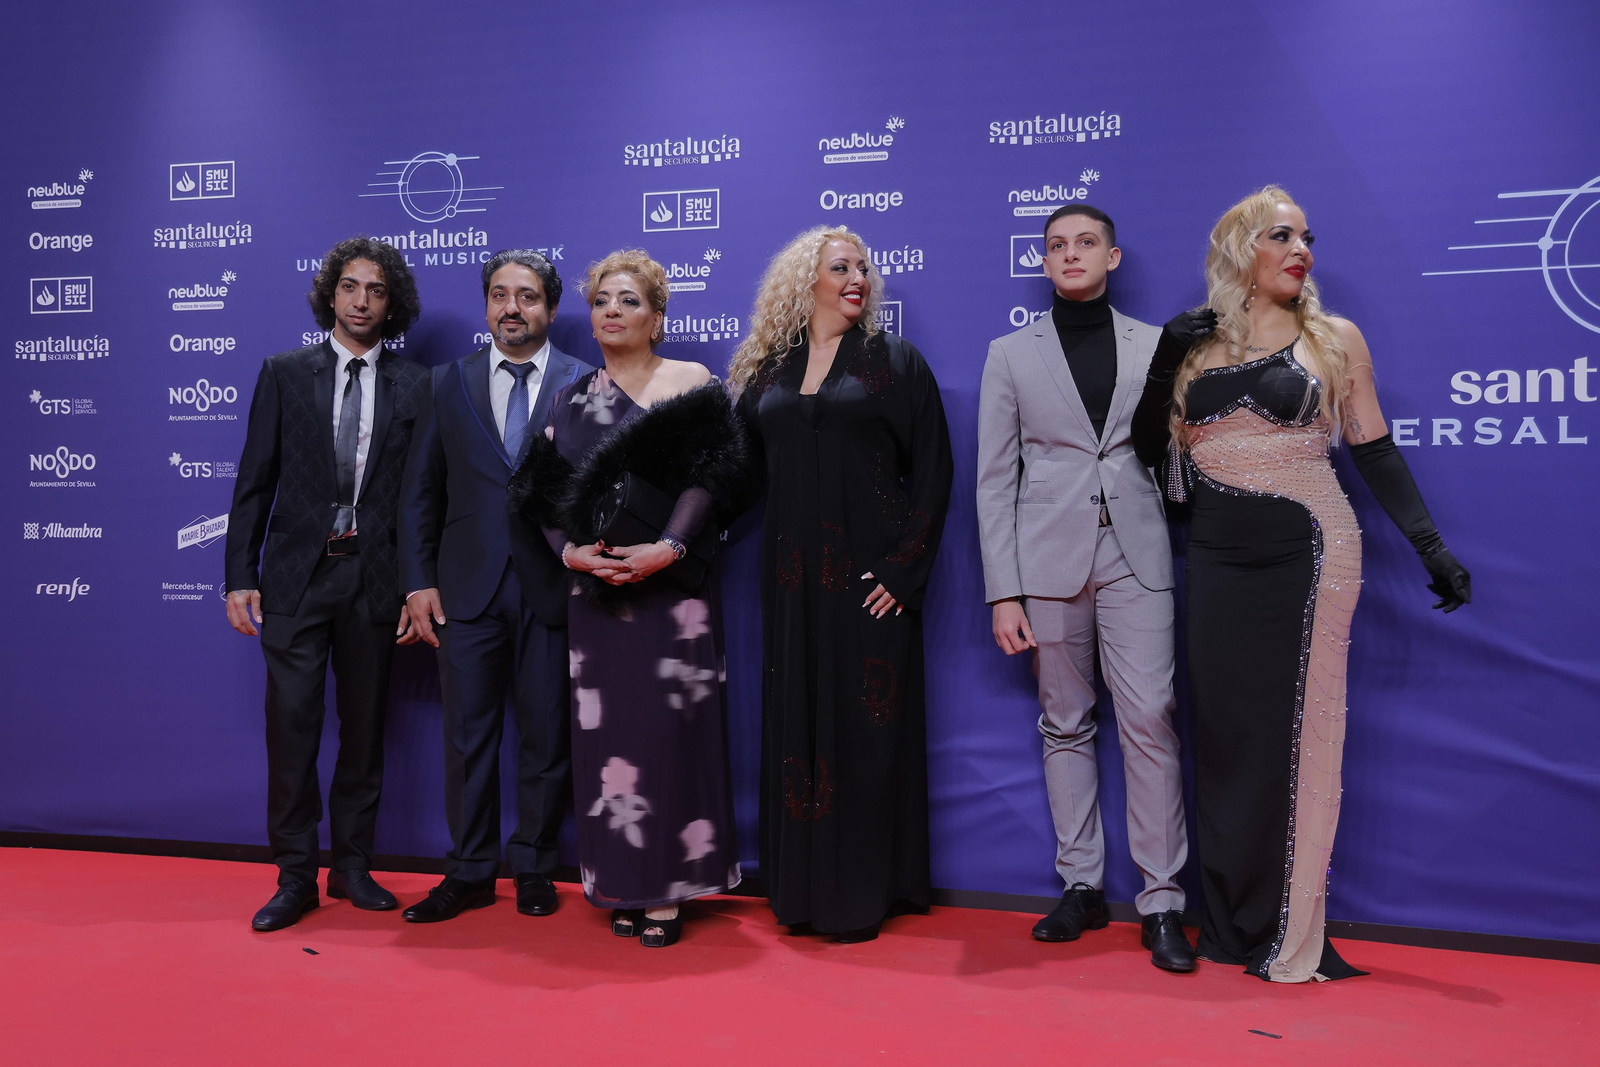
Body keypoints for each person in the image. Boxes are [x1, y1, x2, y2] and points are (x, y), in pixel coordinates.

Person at [1130, 185, 1472, 982]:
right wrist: (1157, 365)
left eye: (1307, 237)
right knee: (1224, 737)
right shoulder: (1193, 347)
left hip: (1312, 554)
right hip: (1215, 557)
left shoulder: (1335, 337)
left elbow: (1375, 451)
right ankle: (1230, 919)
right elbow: (1152, 450)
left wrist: (1430, 545)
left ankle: (1291, 928)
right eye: (1281, 235)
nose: (1301, 249)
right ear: (1240, 250)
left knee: (1300, 737)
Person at [976, 205, 1196, 972]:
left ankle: (1162, 901)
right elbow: (994, 479)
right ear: (1044, 261)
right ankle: (1080, 885)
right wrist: (1003, 590)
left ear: (1113, 255)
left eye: (1085, 243)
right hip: (1046, 565)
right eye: (1057, 245)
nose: (1071, 254)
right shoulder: (1009, 354)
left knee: (1150, 720)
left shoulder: (1156, 344)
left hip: (1139, 556)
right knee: (1063, 722)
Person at [509, 249, 746, 948]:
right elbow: (539, 494)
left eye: (629, 300)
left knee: (670, 741)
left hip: (674, 597)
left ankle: (668, 888)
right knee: (610, 744)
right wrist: (567, 552)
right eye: (602, 300)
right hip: (600, 598)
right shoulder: (569, 399)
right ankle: (624, 880)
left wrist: (668, 545)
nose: (612, 310)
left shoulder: (692, 382)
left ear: (658, 317)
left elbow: (712, 476)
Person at [730, 225, 953, 943]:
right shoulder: (770, 370)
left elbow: (935, 471)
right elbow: (733, 474)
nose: (856, 277)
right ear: (806, 281)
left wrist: (902, 569)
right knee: (798, 723)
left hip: (869, 582)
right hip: (791, 585)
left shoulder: (893, 361)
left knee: (866, 736)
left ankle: (866, 892)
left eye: (863, 267)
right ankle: (799, 890)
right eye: (839, 267)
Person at [224, 235, 430, 931]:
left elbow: (420, 496)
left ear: (391, 302)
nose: (362, 300)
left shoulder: (417, 384)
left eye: (376, 290)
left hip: (374, 580)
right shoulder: (284, 373)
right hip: (294, 579)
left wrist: (414, 584)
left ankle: (350, 866)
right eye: (350, 287)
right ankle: (292, 875)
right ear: (330, 294)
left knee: (365, 730)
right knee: (292, 729)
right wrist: (237, 576)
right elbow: (253, 483)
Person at [397, 249, 589, 922]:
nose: (513, 307)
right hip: (465, 591)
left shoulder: (584, 382)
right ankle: (471, 869)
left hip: (552, 589)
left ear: (551, 307)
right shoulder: (445, 383)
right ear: (486, 305)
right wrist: (417, 581)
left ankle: (534, 865)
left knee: (546, 736)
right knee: (467, 737)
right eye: (501, 295)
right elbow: (418, 493)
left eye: (528, 296)